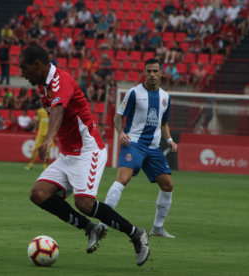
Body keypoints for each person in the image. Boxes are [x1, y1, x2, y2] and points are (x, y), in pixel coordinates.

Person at [18, 45, 150, 265]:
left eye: (24, 68)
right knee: (38, 193)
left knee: (85, 204)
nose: (22, 74)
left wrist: (49, 139)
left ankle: (137, 234)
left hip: (89, 151)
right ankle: (91, 228)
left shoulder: (61, 81)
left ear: (37, 65)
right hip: (68, 154)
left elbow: (58, 110)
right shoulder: (43, 86)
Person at [99, 58, 177, 239]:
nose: (152, 74)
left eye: (155, 71)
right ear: (144, 73)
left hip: (154, 148)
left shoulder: (166, 97)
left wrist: (170, 139)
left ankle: (157, 228)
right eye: (149, 71)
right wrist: (120, 132)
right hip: (133, 143)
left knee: (167, 185)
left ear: (161, 73)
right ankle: (102, 223)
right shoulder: (134, 93)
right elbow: (118, 117)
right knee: (123, 179)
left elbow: (164, 123)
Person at [25, 106, 51, 170]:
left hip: (49, 134)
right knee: (36, 148)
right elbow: (37, 122)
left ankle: (45, 165)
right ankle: (30, 165)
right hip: (40, 134)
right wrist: (34, 131)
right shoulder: (40, 111)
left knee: (47, 150)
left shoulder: (52, 110)